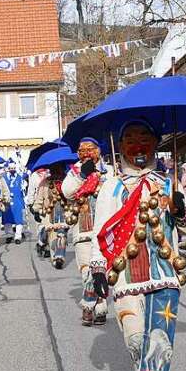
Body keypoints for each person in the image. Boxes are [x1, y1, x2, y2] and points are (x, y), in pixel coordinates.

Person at [90, 121, 186, 371]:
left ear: (155, 143)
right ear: (120, 146)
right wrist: (97, 268)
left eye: (144, 138)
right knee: (135, 337)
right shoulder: (111, 187)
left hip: (165, 272)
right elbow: (101, 230)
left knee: (160, 336)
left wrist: (180, 209)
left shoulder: (168, 183)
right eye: (130, 138)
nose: (137, 145)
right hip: (126, 273)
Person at [61, 137, 108, 325]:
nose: (87, 153)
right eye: (83, 150)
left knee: (101, 271)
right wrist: (82, 176)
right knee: (87, 271)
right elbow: (67, 192)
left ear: (98, 151)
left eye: (91, 149)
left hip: (105, 229)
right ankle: (93, 305)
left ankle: (97, 306)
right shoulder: (74, 171)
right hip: (83, 228)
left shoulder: (109, 171)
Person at [34, 161, 71, 269]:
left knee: (61, 235)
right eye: (55, 168)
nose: (57, 170)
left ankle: (58, 258)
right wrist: (36, 210)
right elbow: (39, 199)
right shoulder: (45, 182)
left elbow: (72, 197)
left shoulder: (68, 181)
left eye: (59, 167)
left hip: (65, 213)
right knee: (51, 237)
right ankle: (48, 248)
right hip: (49, 214)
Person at [27, 166, 50, 258]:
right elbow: (31, 191)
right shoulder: (34, 176)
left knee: (49, 226)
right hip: (38, 204)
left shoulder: (49, 173)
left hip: (49, 204)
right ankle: (41, 243)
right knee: (40, 227)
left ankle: (48, 247)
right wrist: (31, 204)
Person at [2, 161, 27, 244]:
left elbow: (23, 190)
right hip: (7, 201)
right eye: (10, 169)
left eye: (13, 168)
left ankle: (18, 236)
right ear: (8, 169)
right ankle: (9, 235)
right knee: (7, 219)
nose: (12, 170)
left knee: (18, 219)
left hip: (17, 201)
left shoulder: (20, 178)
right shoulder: (4, 178)